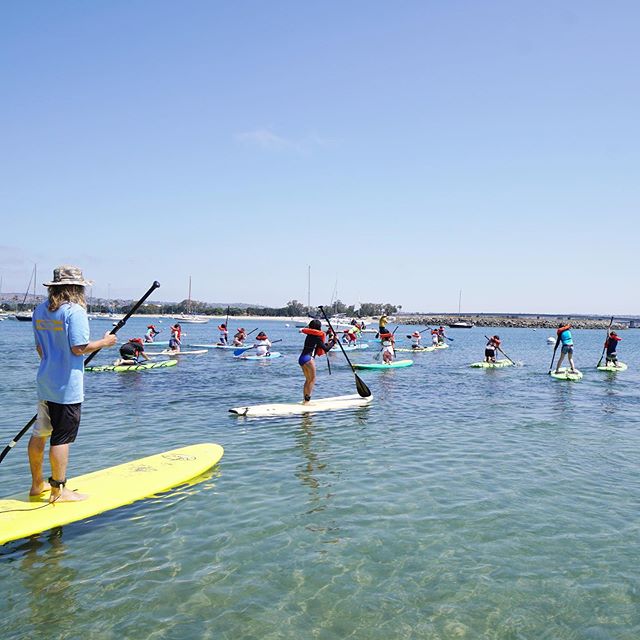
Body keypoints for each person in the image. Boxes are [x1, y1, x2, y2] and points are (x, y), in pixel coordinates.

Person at [29, 265, 117, 502]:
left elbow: (40, 348)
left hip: (45, 382)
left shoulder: (39, 310)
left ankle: (37, 484)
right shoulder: (75, 311)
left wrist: (53, 363)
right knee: (61, 438)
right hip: (67, 388)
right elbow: (78, 348)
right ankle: (58, 491)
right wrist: (105, 342)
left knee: (40, 434)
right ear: (77, 288)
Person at [298, 319, 337, 403]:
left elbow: (320, 343)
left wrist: (328, 334)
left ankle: (305, 400)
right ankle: (307, 401)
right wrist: (333, 342)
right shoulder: (317, 337)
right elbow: (326, 349)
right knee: (312, 379)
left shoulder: (309, 335)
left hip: (301, 358)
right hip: (308, 359)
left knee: (308, 380)